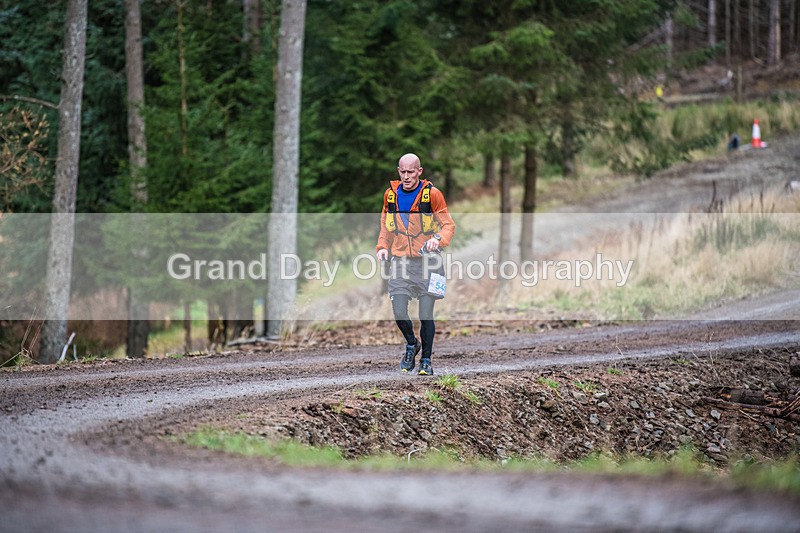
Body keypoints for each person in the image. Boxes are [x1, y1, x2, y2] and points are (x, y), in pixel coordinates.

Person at [376, 153, 456, 375]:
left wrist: (437, 239)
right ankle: (412, 344)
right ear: (398, 171)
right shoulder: (390, 196)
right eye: (402, 171)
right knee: (399, 310)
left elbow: (448, 225)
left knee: (425, 314)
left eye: (411, 172)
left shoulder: (432, 195)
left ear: (419, 172)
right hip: (400, 261)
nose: (406, 176)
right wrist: (382, 247)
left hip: (429, 263)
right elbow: (386, 226)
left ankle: (426, 361)